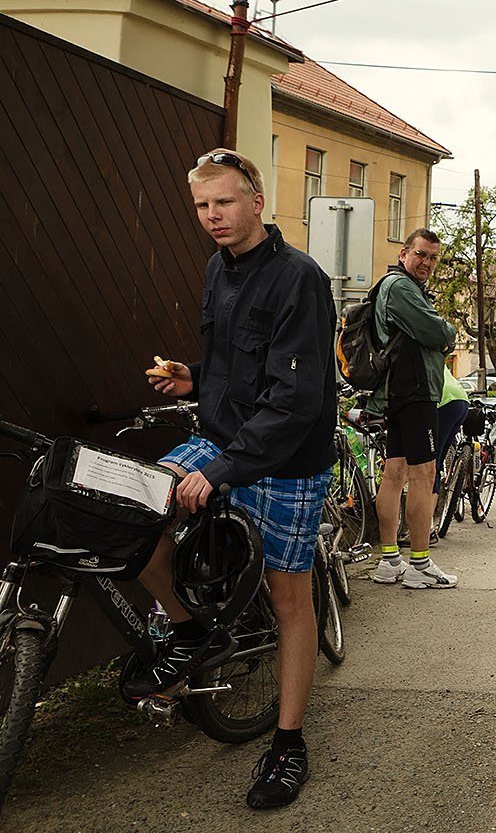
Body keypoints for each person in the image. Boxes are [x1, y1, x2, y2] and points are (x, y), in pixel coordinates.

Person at [138, 147, 336, 808]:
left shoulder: (299, 278)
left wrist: (222, 470)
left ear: (256, 201)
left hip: (284, 460)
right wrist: (196, 377)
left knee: (289, 602)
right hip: (222, 438)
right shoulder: (215, 271)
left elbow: (295, 398)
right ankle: (188, 626)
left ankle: (287, 744)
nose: (213, 215)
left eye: (224, 201)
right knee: (136, 508)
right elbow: (239, 363)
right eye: (201, 205)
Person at [368, 228, 459, 589]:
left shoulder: (397, 286)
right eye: (421, 255)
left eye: (433, 258)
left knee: (395, 474)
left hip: (399, 392)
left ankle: (390, 560)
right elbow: (436, 333)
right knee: (423, 475)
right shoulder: (402, 288)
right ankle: (420, 564)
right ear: (405, 253)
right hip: (414, 390)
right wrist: (448, 330)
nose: (427, 263)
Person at [431, 364, 470, 521]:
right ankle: (430, 524)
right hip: (460, 399)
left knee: (429, 465)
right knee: (436, 462)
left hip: (442, 401)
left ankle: (427, 527)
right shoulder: (432, 350)